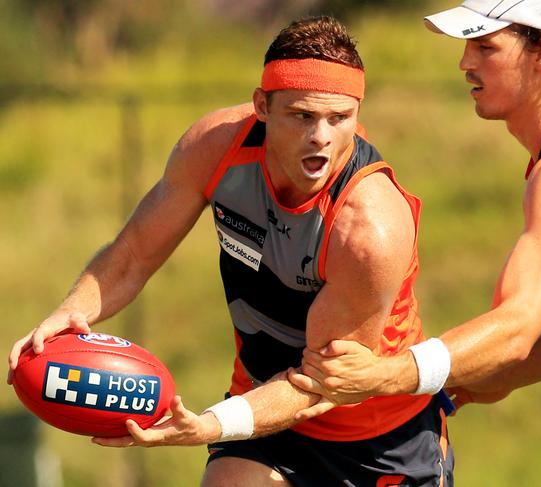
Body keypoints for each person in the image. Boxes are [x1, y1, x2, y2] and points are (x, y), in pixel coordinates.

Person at [7, 15, 456, 487]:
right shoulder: (217, 146)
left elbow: (320, 383)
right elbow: (134, 254)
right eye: (302, 115)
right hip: (262, 404)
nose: (321, 137)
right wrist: (70, 312)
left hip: (377, 437)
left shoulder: (369, 228)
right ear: (262, 105)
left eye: (339, 118)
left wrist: (210, 424)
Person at [289, 0, 541, 420]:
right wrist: (503, 376)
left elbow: (515, 327)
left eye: (486, 46)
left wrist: (384, 375)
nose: (465, 62)